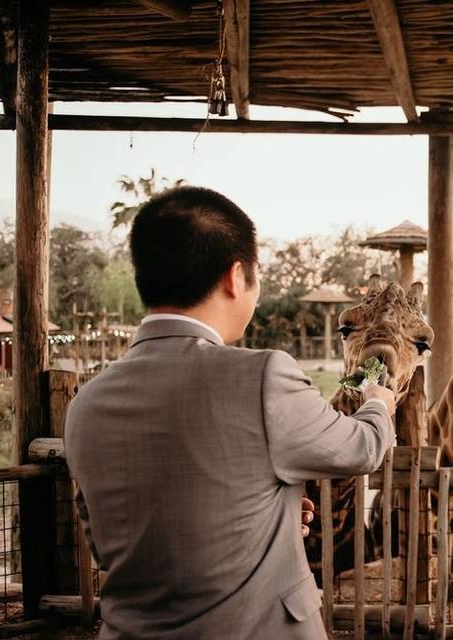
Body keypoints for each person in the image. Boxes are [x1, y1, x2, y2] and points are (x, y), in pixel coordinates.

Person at [65, 187, 396, 640]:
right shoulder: (262, 375)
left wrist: (266, 511)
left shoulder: (86, 404)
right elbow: (362, 448)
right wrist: (379, 400)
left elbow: (107, 543)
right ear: (235, 276)